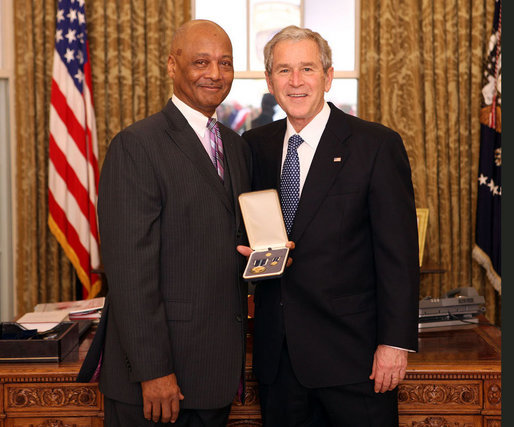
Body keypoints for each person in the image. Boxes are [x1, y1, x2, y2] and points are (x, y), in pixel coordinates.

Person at [239, 25, 419, 426]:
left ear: (328, 75)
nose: (296, 81)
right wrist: (245, 252)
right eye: (284, 70)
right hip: (279, 364)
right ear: (270, 81)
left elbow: (399, 256)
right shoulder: (254, 146)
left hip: (354, 363)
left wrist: (394, 344)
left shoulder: (375, 145)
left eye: (307, 68)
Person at [77, 20, 251, 427]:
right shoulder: (137, 146)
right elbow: (130, 271)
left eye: (225, 63)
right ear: (172, 66)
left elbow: (230, 243)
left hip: (215, 376)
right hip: (157, 384)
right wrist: (153, 370)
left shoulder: (236, 146)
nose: (215, 73)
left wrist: (271, 258)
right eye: (201, 62)